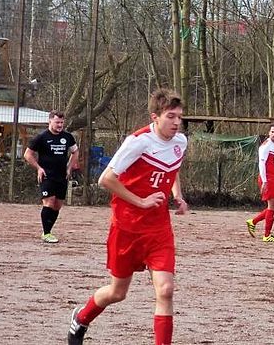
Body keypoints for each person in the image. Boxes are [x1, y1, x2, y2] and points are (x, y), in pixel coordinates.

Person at [67, 89, 189, 345]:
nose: (177, 122)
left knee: (166, 290)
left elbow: (173, 168)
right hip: (127, 227)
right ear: (155, 117)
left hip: (158, 229)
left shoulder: (180, 141)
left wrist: (177, 195)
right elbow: (105, 179)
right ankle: (82, 317)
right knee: (117, 292)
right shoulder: (138, 142)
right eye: (171, 116)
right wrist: (141, 201)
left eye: (179, 116)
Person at [24, 110, 79, 243]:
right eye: (57, 122)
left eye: (62, 122)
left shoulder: (67, 137)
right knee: (49, 202)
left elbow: (75, 152)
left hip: (61, 176)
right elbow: (27, 154)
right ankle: (47, 233)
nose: (60, 125)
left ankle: (47, 231)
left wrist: (69, 167)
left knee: (57, 205)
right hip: (47, 175)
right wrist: (39, 168)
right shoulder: (41, 137)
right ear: (50, 121)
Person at [246, 123, 274, 242]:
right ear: (269, 133)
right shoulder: (266, 146)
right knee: (272, 206)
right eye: (272, 132)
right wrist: (265, 181)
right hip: (267, 178)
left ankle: (253, 222)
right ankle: (267, 235)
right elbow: (261, 164)